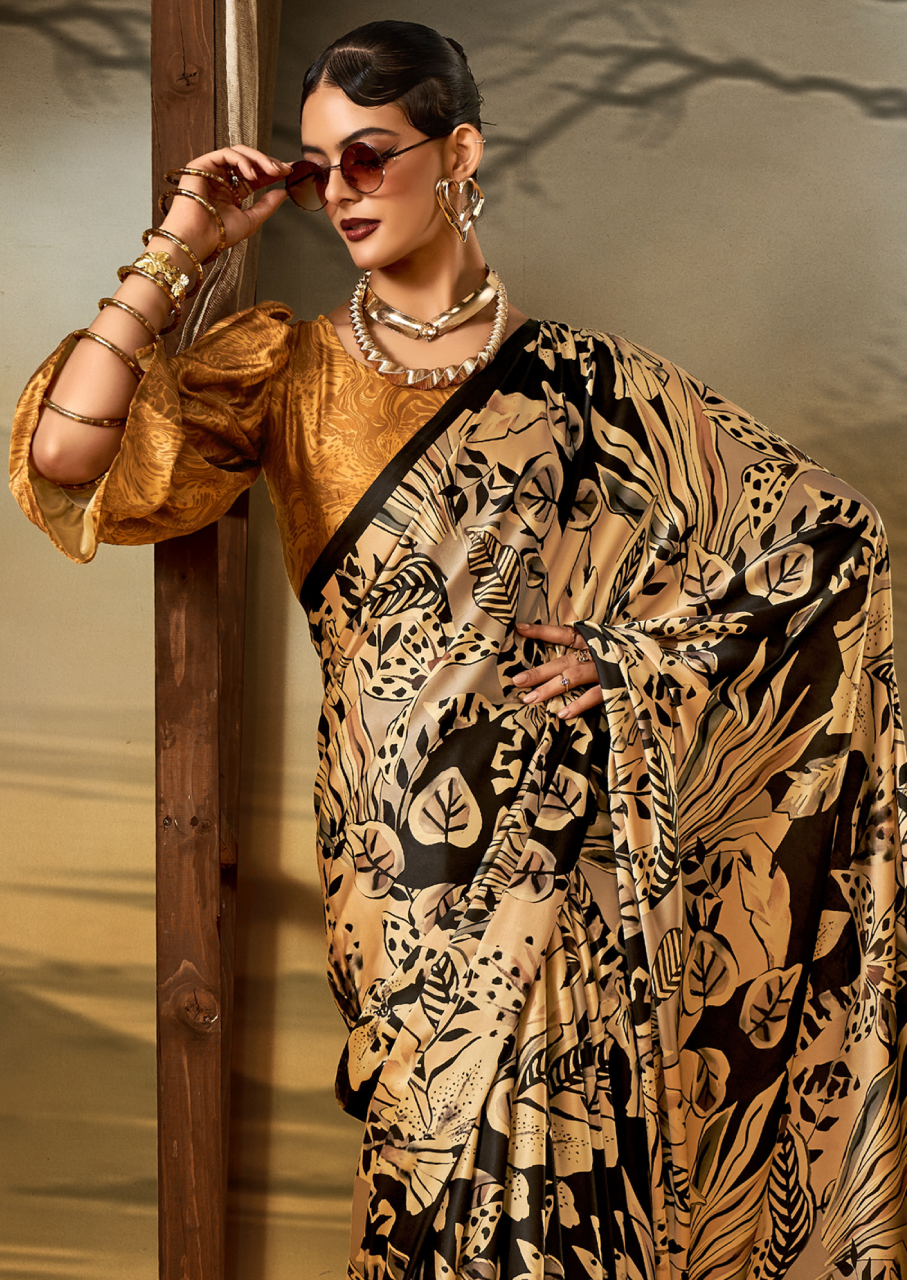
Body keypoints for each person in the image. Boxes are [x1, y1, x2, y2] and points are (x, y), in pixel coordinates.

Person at [9, 19, 906, 1280]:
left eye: (370, 154)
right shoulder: (289, 369)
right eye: (319, 165)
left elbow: (834, 538)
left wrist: (629, 656)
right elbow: (67, 454)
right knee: (429, 1192)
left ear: (459, 152)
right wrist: (180, 243)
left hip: (569, 857)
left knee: (572, 1200)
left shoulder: (597, 388)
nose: (342, 190)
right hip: (399, 866)